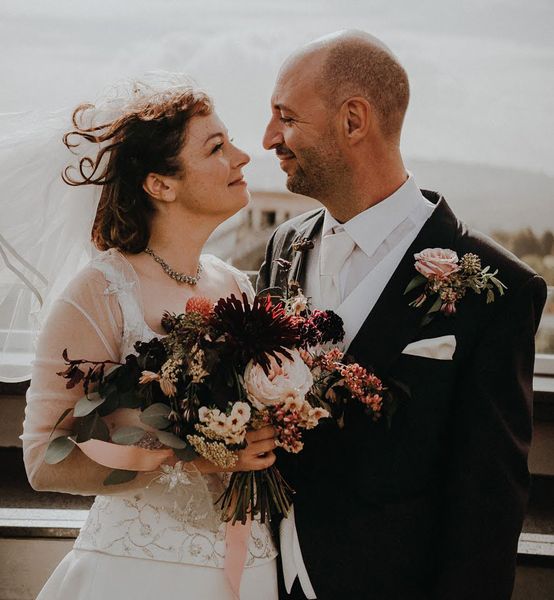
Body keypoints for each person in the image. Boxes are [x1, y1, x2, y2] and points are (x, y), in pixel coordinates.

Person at [258, 30, 547, 599]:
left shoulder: (499, 288)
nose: (270, 138)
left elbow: (488, 505)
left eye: (286, 117)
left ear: (353, 120)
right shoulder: (282, 247)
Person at [19, 80, 279, 600]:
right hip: (142, 569)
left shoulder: (235, 286)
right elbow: (42, 461)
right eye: (216, 147)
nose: (243, 156)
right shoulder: (101, 292)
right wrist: (191, 455)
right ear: (161, 184)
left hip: (250, 564)